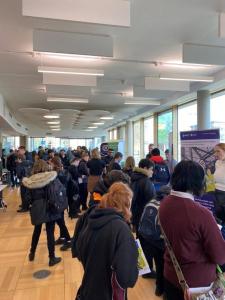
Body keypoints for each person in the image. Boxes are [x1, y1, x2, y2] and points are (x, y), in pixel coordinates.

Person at [159, 160, 225, 300]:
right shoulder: (202, 214)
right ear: (198, 182)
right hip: (197, 286)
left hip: (172, 275)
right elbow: (220, 256)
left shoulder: (165, 203)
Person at [74, 182, 138, 300]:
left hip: (88, 290)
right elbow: (127, 278)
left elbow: (79, 251)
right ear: (126, 203)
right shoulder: (121, 229)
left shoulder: (90, 219)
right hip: (108, 294)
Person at [22, 159, 62, 267]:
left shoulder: (30, 181)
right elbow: (53, 195)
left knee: (37, 231)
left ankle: (32, 253)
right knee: (50, 233)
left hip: (36, 208)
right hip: (49, 207)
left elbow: (26, 199)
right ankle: (52, 258)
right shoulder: (49, 178)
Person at [51, 156, 72, 251]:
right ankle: (63, 237)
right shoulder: (63, 172)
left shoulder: (55, 174)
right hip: (63, 199)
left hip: (58, 199)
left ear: (54, 164)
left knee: (60, 221)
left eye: (51, 163)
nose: (49, 164)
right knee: (61, 220)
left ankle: (68, 240)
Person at [131, 158, 155, 232]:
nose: (152, 172)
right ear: (145, 168)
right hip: (144, 215)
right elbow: (151, 200)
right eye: (151, 169)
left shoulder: (133, 178)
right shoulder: (146, 182)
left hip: (135, 215)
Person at [214, 143, 225, 224]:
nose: (215, 154)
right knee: (218, 218)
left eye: (218, 151)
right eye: (215, 151)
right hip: (217, 193)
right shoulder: (217, 163)